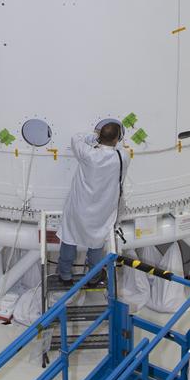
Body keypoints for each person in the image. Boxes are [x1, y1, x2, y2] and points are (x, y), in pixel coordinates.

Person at [57, 121, 126, 284]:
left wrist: (95, 136)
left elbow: (76, 138)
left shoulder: (87, 154)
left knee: (69, 238)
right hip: (103, 210)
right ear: (118, 139)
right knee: (96, 243)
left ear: (101, 136)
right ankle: (94, 277)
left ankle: (64, 274)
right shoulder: (122, 157)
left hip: (79, 206)